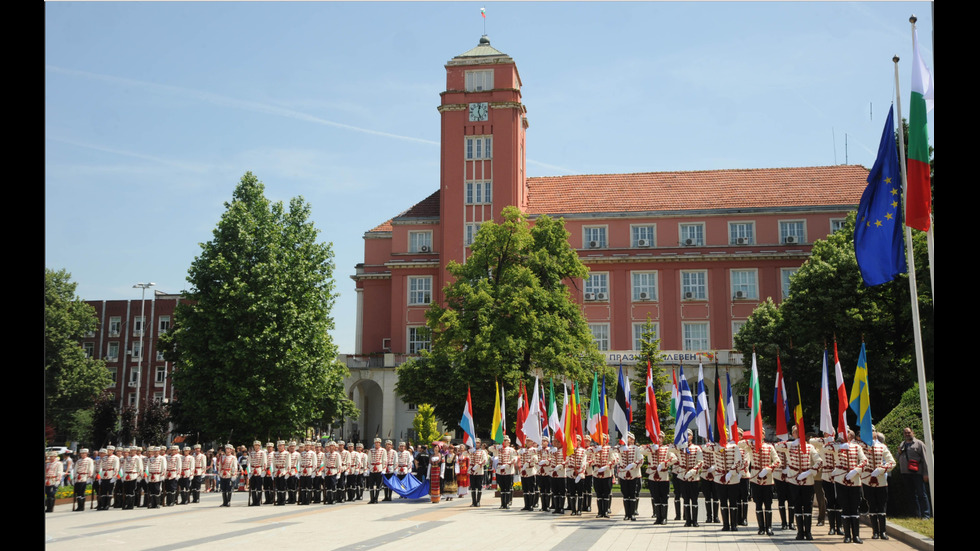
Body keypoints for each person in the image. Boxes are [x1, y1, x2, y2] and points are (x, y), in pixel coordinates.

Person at [785, 425, 823, 541]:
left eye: (799, 432)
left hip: (807, 481)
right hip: (794, 481)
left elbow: (819, 462)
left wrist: (809, 472)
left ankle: (808, 532)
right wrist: (793, 442)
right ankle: (800, 532)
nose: (797, 434)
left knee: (807, 506)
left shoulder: (810, 447)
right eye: (795, 432)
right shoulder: (790, 446)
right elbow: (777, 446)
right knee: (797, 506)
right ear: (793, 434)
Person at [862, 431, 896, 540]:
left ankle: (883, 532)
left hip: (880, 480)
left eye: (872, 431)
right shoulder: (861, 447)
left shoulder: (882, 447)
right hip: (867, 480)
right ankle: (875, 532)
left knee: (881, 505)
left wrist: (881, 470)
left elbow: (892, 462)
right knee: (871, 505)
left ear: (876, 434)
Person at [748, 428, 780, 536]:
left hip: (767, 479)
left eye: (761, 433)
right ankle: (761, 527)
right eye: (757, 433)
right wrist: (751, 440)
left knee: (768, 504)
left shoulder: (769, 447)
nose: (759, 435)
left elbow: (777, 461)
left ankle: (769, 527)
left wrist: (768, 468)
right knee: (758, 504)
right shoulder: (751, 446)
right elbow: (740, 444)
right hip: (755, 478)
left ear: (764, 435)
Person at [898, 427, 931, 519]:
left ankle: (926, 514)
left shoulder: (919, 444)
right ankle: (915, 514)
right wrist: (899, 452)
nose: (907, 434)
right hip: (905, 473)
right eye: (905, 433)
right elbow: (898, 457)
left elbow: (926, 459)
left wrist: (926, 473)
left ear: (913, 432)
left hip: (918, 473)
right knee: (911, 495)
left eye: (909, 432)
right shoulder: (902, 444)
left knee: (921, 494)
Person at [673, 429, 703, 526]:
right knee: (685, 499)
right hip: (682, 476)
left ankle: (695, 521)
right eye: (685, 435)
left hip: (693, 477)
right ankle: (687, 520)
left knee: (694, 499)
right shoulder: (679, 448)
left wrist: (692, 471)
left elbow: (700, 462)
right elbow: (669, 448)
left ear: (692, 437)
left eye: (689, 435)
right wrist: (679, 442)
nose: (687, 436)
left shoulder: (697, 448)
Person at [715, 434, 745, 531]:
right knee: (723, 501)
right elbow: (706, 448)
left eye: (725, 434)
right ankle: (726, 525)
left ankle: (734, 524)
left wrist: (730, 473)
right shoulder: (715, 447)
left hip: (732, 478)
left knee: (733, 501)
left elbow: (738, 461)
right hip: (720, 478)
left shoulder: (734, 447)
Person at [618, 432, 644, 521]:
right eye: (627, 438)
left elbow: (641, 460)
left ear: (633, 440)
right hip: (623, 474)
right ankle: (626, 514)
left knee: (632, 494)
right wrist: (621, 447)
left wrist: (633, 464)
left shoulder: (636, 448)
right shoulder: (621, 448)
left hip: (633, 474)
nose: (629, 440)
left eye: (630, 438)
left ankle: (632, 514)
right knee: (625, 494)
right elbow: (612, 451)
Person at [594, 434, 618, 519]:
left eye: (604, 439)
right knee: (599, 493)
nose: (602, 441)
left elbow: (615, 460)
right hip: (597, 473)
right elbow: (587, 453)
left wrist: (606, 467)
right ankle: (600, 512)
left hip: (607, 473)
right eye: (601, 439)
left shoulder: (609, 449)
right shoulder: (595, 449)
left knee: (606, 493)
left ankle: (605, 511)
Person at [496, 435, 518, 509]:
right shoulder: (500, 449)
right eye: (503, 440)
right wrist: (498, 445)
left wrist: (508, 464)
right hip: (500, 470)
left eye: (506, 440)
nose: (505, 442)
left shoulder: (511, 450)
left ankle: (507, 503)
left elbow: (515, 458)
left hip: (508, 470)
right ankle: (502, 504)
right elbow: (490, 448)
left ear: (509, 442)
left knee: (508, 487)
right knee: (502, 487)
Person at [518, 438, 538, 510]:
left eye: (529, 441)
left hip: (530, 471)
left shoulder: (534, 450)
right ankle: (526, 505)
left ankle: (531, 505)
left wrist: (528, 463)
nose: (528, 442)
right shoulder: (523, 450)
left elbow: (536, 458)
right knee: (525, 489)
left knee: (531, 488)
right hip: (523, 472)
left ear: (532, 442)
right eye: (527, 441)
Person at [468, 438, 489, 507]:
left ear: (480, 443)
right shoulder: (471, 451)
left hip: (479, 471)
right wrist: (469, 449)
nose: (476, 444)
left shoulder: (482, 452)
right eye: (475, 442)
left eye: (478, 443)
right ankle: (473, 502)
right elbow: (464, 454)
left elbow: (485, 460)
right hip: (472, 471)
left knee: (479, 487)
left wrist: (479, 465)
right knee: (472, 487)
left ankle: (478, 501)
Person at [98, 445, 119, 510]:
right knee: (103, 491)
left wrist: (114, 477)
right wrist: (100, 477)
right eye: (108, 450)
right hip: (104, 475)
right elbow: (100, 468)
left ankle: (107, 504)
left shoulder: (115, 458)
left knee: (109, 491)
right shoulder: (104, 458)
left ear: (113, 451)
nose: (109, 451)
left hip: (110, 475)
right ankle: (103, 505)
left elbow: (116, 468)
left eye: (110, 450)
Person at [248, 440, 267, 507]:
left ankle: (258, 501)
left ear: (259, 446)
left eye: (257, 445)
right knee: (253, 487)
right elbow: (249, 463)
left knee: (259, 487)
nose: (256, 446)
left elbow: (264, 463)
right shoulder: (251, 453)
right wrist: (249, 471)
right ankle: (254, 501)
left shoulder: (262, 453)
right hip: (253, 471)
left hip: (259, 470)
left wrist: (263, 471)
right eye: (255, 445)